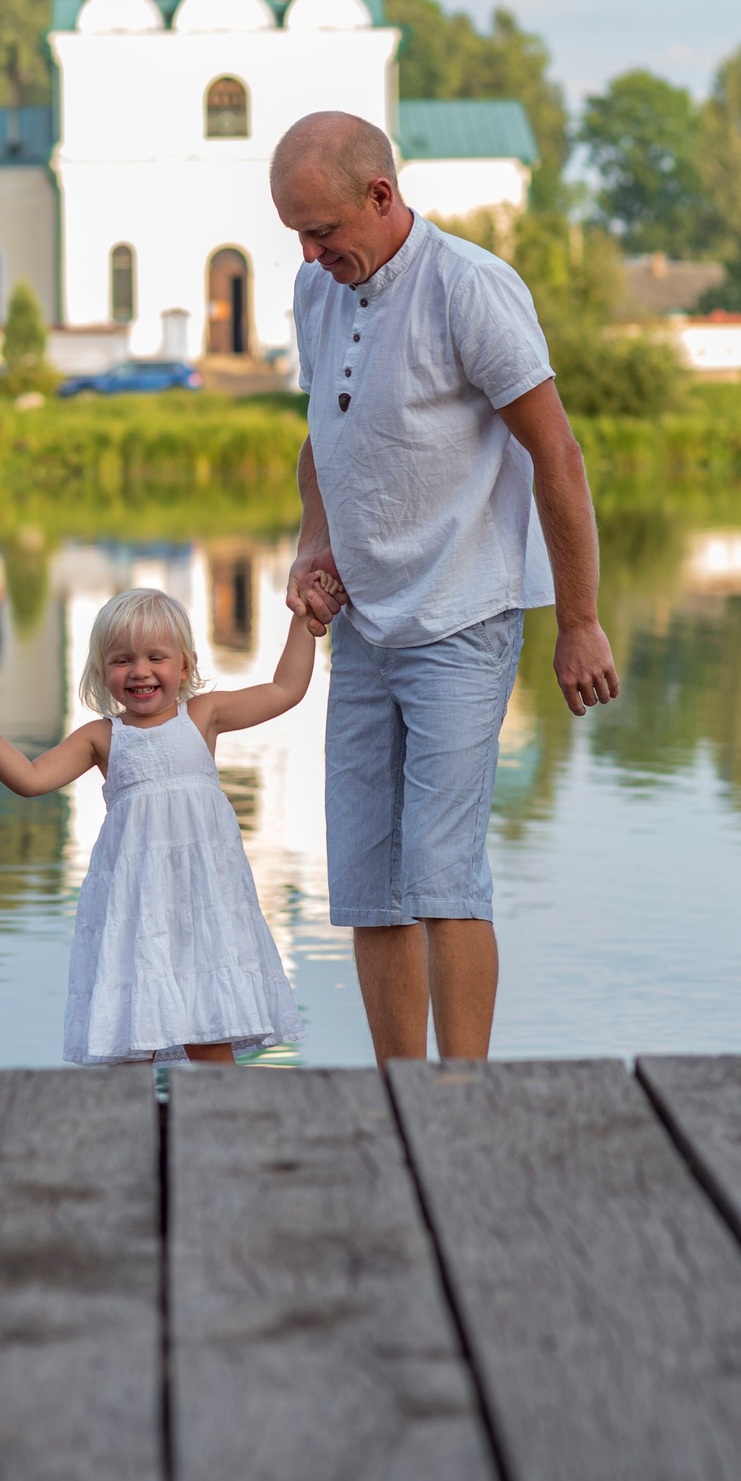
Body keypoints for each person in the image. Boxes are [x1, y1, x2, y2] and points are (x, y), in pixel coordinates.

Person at [271, 110, 620, 1066]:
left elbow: (558, 454)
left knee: (441, 872)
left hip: (463, 615)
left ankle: (464, 1102)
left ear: (380, 198)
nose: (309, 252)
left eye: (323, 230)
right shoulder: (317, 291)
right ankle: (400, 1096)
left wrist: (579, 620)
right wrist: (316, 541)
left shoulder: (470, 287)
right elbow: (324, 436)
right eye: (296, 233)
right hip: (366, 627)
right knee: (369, 879)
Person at [0, 587, 318, 1065]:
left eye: (156, 657)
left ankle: (228, 1129)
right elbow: (31, 778)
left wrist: (304, 621)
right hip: (137, 910)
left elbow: (284, 690)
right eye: (122, 660)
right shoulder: (103, 737)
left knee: (210, 1029)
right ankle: (132, 1132)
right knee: (132, 1033)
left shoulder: (204, 715)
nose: (140, 671)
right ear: (103, 672)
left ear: (185, 667)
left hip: (201, 906)